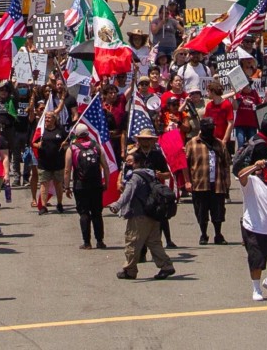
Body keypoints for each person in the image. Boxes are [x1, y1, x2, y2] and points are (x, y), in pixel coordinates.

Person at [109, 150, 175, 281]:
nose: (127, 164)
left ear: (137, 163)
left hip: (139, 215)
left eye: (130, 162)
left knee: (132, 242)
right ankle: (166, 266)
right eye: (126, 161)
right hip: (153, 214)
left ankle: (129, 270)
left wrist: (117, 205)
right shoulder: (151, 175)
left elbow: (128, 194)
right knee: (154, 242)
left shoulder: (135, 177)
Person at [237, 157, 267, 300]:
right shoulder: (252, 182)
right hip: (255, 228)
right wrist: (254, 166)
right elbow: (241, 175)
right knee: (257, 260)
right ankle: (256, 288)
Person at [184, 118, 231, 246]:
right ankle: (203, 234)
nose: (211, 130)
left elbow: (226, 164)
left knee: (218, 211)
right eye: (208, 127)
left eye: (212, 127)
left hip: (217, 184)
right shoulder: (192, 144)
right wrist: (187, 182)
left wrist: (227, 181)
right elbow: (185, 165)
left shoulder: (219, 144)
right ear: (202, 128)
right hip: (199, 184)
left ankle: (218, 234)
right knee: (201, 211)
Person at [64, 123, 109, 250]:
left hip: (80, 186)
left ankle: (87, 242)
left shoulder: (72, 148)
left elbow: (67, 170)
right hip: (96, 185)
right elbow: (105, 166)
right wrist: (106, 183)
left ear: (76, 134)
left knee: (84, 213)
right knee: (97, 213)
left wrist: (66, 187)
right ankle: (100, 241)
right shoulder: (96, 146)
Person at [34, 111, 67, 214]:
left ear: (54, 119)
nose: (47, 119)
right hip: (44, 163)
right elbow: (33, 142)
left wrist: (66, 143)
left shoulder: (60, 130)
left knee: (58, 184)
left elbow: (69, 140)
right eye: (46, 118)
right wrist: (37, 145)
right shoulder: (41, 131)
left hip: (58, 163)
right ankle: (43, 206)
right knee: (44, 185)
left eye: (49, 118)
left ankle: (60, 204)